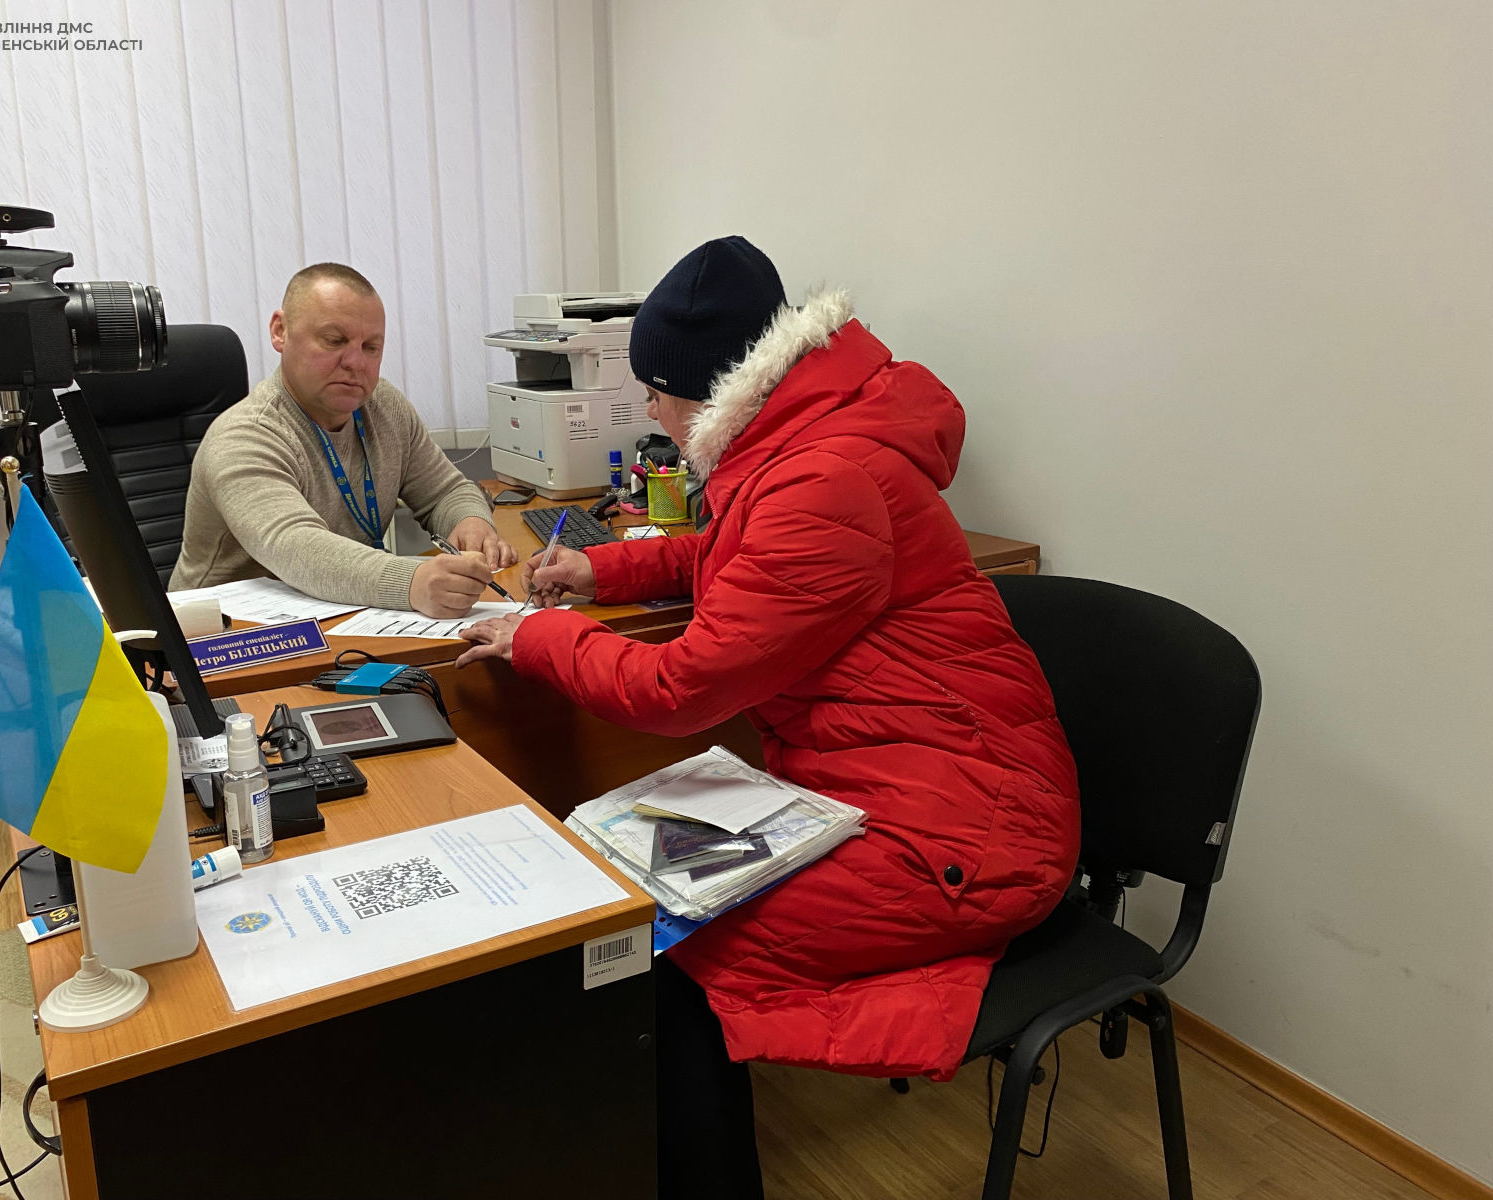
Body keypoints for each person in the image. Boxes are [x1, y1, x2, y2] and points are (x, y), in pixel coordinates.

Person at [457, 237, 1080, 1198]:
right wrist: (600, 569)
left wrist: (539, 636)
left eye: (656, 394)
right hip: (917, 786)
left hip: (965, 835)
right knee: (636, 909)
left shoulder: (823, 478)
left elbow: (680, 692)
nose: (650, 413)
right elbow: (734, 553)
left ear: (706, 390)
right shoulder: (812, 445)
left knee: (655, 947)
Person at [170, 263, 517, 615]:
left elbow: (445, 491)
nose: (355, 362)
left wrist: (471, 522)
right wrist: (411, 582)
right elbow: (298, 550)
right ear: (280, 331)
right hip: (226, 632)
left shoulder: (385, 406)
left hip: (339, 611)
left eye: (371, 347)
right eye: (334, 341)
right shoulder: (244, 436)